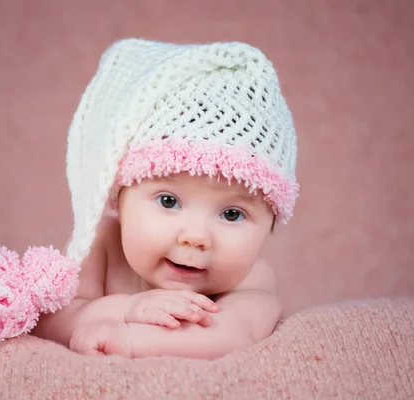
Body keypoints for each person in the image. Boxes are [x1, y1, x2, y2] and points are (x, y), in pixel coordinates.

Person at [32, 38, 299, 359]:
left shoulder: (253, 280)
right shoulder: (100, 243)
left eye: (231, 214)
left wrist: (130, 340)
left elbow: (232, 334)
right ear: (120, 195)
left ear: (271, 222)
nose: (196, 237)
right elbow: (48, 320)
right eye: (168, 201)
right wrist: (129, 308)